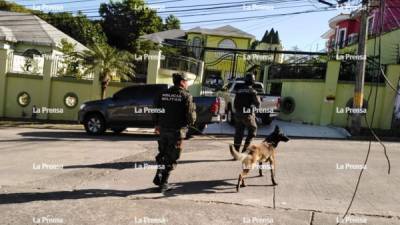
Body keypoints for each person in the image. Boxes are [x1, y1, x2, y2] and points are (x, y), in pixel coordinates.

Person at [152, 73, 196, 193]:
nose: (187, 84)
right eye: (186, 81)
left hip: (163, 130)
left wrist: (156, 124)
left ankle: (159, 175)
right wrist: (190, 123)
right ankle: (164, 184)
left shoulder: (162, 94)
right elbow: (191, 118)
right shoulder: (186, 96)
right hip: (176, 132)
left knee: (162, 153)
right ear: (182, 82)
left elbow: (155, 110)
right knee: (172, 157)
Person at [233, 73, 261, 153]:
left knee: (238, 133)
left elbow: (235, 104)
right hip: (247, 115)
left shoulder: (239, 91)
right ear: (252, 81)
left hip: (238, 114)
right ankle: (245, 150)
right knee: (253, 130)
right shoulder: (252, 91)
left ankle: (236, 152)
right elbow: (258, 104)